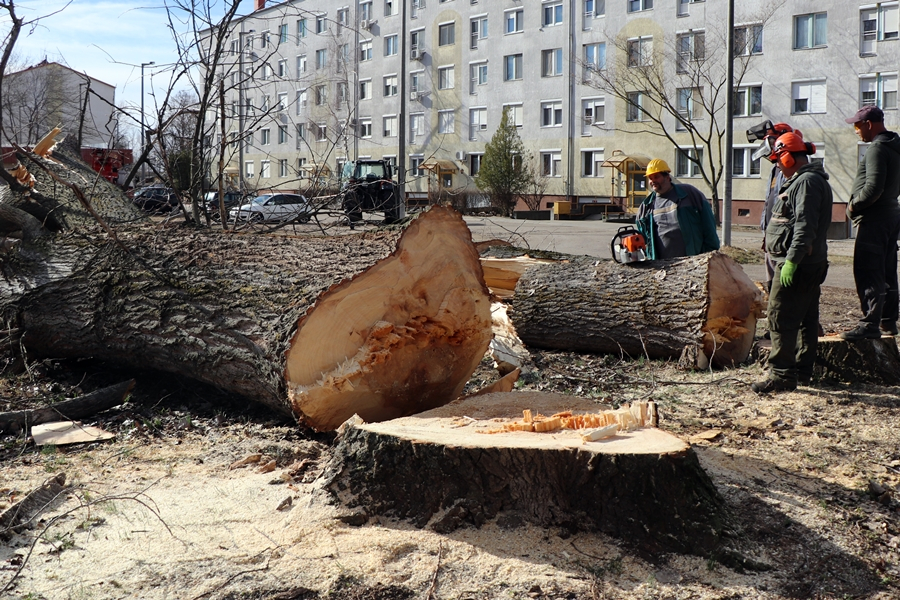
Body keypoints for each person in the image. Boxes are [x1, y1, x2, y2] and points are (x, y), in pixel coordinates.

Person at [752, 133, 832, 393]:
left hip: (799, 265)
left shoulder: (806, 183)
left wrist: (791, 261)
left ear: (787, 157)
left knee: (779, 315)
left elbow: (804, 227)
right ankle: (802, 370)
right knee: (806, 318)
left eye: (777, 160)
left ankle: (782, 375)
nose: (776, 166)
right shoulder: (803, 180)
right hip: (806, 263)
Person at [839, 105, 900, 340]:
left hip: (874, 219)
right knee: (886, 270)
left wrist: (854, 205)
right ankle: (888, 321)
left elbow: (873, 188)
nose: (855, 131)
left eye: (857, 125)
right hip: (891, 215)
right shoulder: (895, 146)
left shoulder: (877, 149)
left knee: (868, 270)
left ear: (869, 124)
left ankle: (869, 324)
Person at [635, 158, 720, 259]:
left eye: (656, 177)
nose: (653, 181)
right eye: (650, 178)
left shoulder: (690, 194)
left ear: (667, 177)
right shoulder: (646, 207)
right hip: (661, 265)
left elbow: (708, 224)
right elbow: (643, 241)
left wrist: (711, 252)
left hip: (692, 261)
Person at [751, 122, 796, 291]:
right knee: (771, 281)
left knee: (782, 285)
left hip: (783, 237)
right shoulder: (775, 170)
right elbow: (769, 201)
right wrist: (766, 231)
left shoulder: (791, 169)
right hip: (771, 233)